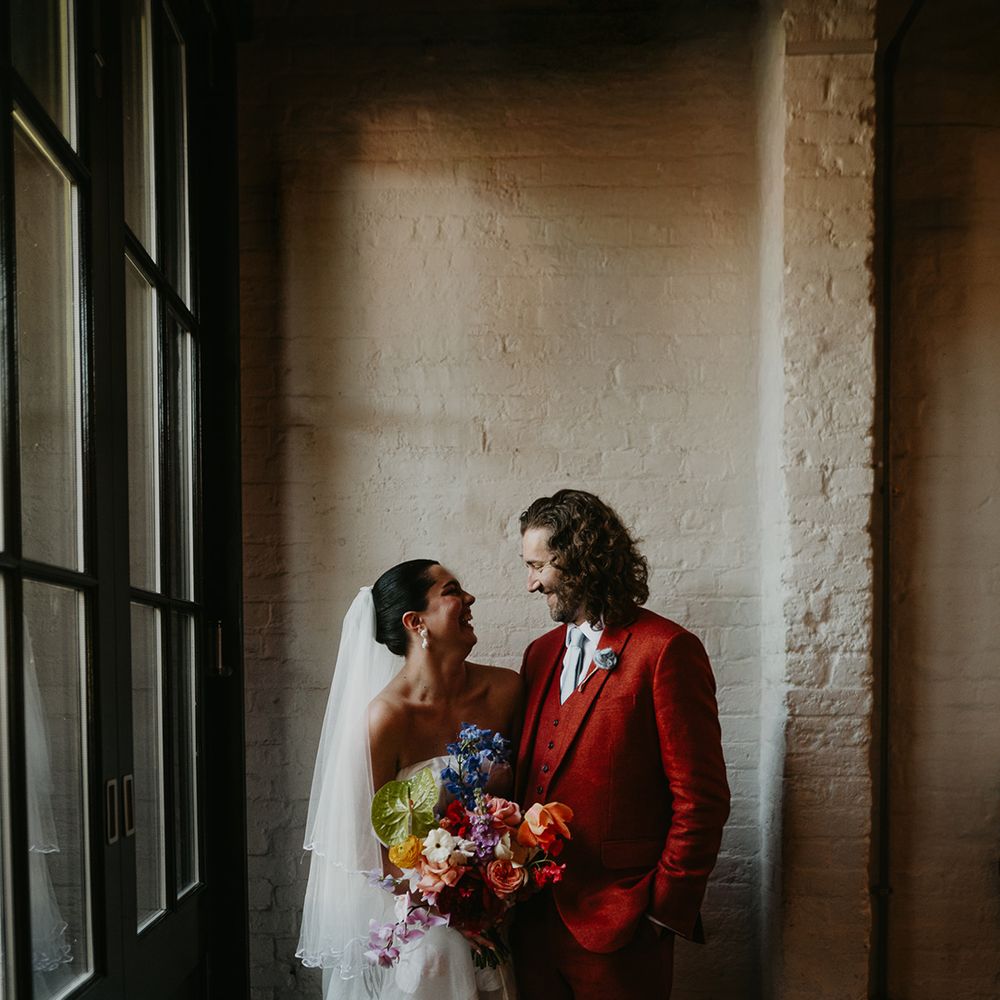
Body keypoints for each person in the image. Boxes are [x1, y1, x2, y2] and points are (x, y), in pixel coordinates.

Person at [511, 490, 730, 1000]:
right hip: (530, 922)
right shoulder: (538, 655)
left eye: (539, 565)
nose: (530, 583)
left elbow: (702, 799)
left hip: (622, 923)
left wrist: (661, 911)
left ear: (582, 558)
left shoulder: (667, 650)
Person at [297, 559, 522, 1000]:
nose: (469, 599)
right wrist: (450, 908)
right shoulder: (386, 718)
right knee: (439, 951)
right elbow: (369, 846)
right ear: (416, 621)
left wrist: (495, 893)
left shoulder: (507, 691)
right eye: (453, 590)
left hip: (499, 902)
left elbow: (529, 797)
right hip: (413, 905)